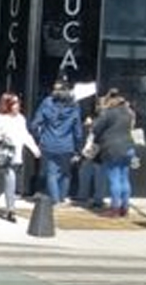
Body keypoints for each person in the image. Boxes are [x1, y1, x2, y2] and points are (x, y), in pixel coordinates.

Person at [0, 93, 40, 221]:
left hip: (17, 155)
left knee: (3, 185)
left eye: (18, 103)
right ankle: (11, 210)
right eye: (14, 103)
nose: (17, 106)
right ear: (7, 105)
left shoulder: (21, 119)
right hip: (4, 156)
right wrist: (1, 137)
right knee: (10, 180)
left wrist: (34, 149)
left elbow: (25, 135)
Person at [30, 81, 84, 204]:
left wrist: (39, 137)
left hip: (48, 143)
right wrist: (78, 148)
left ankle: (55, 200)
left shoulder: (47, 102)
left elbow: (34, 125)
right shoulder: (74, 106)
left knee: (51, 173)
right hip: (67, 145)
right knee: (66, 173)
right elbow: (78, 131)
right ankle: (62, 198)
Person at [92, 89, 135, 218]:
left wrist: (100, 112)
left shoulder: (108, 113)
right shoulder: (128, 112)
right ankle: (125, 208)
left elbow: (96, 128)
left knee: (114, 178)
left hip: (112, 148)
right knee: (124, 178)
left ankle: (114, 209)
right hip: (128, 147)